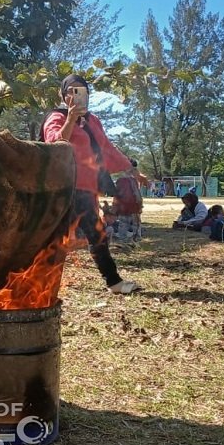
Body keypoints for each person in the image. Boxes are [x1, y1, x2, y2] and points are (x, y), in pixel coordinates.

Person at [42, 74, 141, 295]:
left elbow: (107, 148)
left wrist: (131, 168)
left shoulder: (93, 121)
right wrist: (69, 119)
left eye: (82, 91)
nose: (76, 96)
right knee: (50, 237)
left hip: (86, 189)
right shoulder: (56, 117)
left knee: (96, 235)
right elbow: (54, 144)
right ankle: (34, 283)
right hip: (60, 188)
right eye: (71, 91)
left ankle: (114, 282)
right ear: (63, 94)